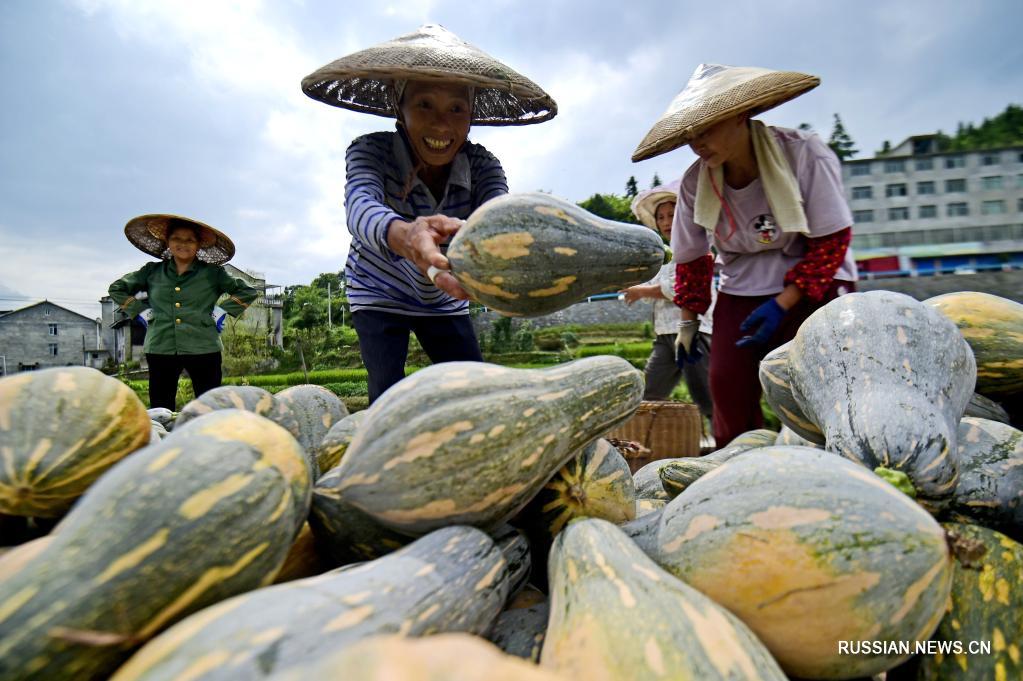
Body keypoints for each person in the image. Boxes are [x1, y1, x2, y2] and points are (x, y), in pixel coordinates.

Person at [301, 25, 557, 403]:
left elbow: (497, 221)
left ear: (470, 115)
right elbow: (360, 207)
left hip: (444, 297)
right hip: (379, 289)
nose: (441, 124)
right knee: (387, 393)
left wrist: (499, 258)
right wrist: (407, 235)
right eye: (424, 104)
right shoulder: (371, 151)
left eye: (456, 109)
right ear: (399, 107)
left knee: (474, 392)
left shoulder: (483, 166)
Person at [632, 64, 858, 446]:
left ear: (739, 115)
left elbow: (831, 241)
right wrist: (687, 326)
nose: (697, 143)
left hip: (815, 283)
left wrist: (783, 304)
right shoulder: (695, 182)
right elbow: (692, 259)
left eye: (706, 129)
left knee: (824, 384)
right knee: (727, 384)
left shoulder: (803, 154)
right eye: (690, 135)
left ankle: (835, 456)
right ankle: (740, 462)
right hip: (741, 288)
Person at [109, 215, 259, 410]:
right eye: (177, 238)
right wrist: (140, 311)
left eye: (190, 240)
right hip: (161, 345)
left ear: (199, 244)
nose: (183, 244)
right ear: (167, 242)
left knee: (210, 406)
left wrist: (223, 309)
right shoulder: (152, 271)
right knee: (161, 408)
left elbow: (248, 291)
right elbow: (117, 288)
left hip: (203, 345)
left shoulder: (213, 273)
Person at [621, 180, 714, 422]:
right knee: (649, 393)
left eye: (672, 215)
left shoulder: (694, 247)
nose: (665, 222)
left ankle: (728, 438)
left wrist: (641, 291)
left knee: (706, 396)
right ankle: (641, 439)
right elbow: (654, 288)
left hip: (695, 330)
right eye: (661, 217)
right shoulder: (663, 254)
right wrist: (635, 286)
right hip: (664, 334)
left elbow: (677, 289)